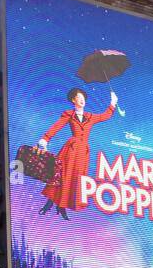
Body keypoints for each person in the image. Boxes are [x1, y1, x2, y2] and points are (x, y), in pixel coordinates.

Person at [36, 88, 117, 220]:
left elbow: (105, 116)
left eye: (83, 97)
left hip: (82, 153)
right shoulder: (69, 114)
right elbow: (57, 126)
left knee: (75, 179)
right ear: (73, 100)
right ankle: (49, 204)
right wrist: (45, 138)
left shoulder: (90, 117)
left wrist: (113, 102)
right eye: (79, 97)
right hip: (70, 150)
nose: (82, 99)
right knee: (61, 176)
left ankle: (61, 206)